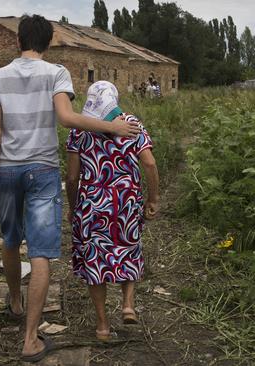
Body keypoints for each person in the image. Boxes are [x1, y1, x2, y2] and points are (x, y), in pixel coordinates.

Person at [0, 15, 141, 363]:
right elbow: (67, 118)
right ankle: (30, 340)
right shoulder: (56, 73)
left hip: (7, 169)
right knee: (40, 253)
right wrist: (111, 126)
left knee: (10, 240)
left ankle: (14, 301)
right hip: (42, 170)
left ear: (18, 40)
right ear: (50, 42)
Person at [65, 81, 160, 341]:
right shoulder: (131, 123)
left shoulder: (80, 128)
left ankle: (103, 326)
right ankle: (127, 304)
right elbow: (149, 164)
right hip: (126, 201)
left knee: (96, 261)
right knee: (129, 248)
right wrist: (153, 198)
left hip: (93, 203)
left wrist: (74, 208)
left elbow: (72, 178)